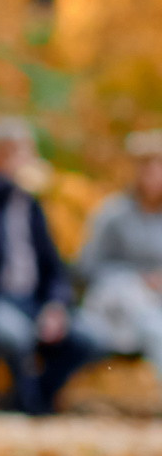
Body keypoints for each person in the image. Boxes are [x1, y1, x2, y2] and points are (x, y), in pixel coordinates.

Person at [0, 119, 103, 417]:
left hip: (31, 302)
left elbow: (53, 268)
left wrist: (56, 306)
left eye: (24, 153)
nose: (21, 161)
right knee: (16, 335)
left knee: (89, 339)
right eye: (11, 153)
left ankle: (28, 399)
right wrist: (5, 180)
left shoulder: (32, 207)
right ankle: (29, 405)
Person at [76, 131, 162, 382]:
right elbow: (88, 267)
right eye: (146, 166)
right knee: (153, 327)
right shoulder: (112, 214)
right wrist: (139, 279)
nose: (153, 173)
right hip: (119, 302)